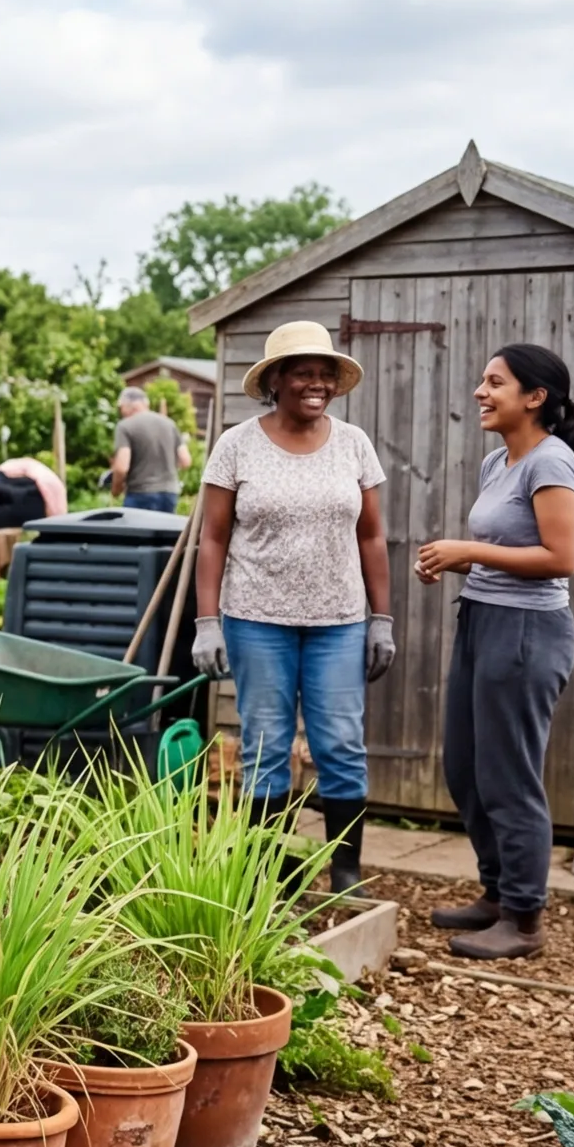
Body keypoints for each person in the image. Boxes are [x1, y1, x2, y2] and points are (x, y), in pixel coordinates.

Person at [190, 320, 396, 894]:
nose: (317, 384)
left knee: (340, 743)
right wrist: (208, 623)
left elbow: (372, 537)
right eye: (304, 373)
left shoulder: (354, 443)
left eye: (325, 374)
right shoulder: (236, 445)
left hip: (339, 621)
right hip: (256, 619)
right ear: (274, 380)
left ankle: (347, 871)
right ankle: (267, 875)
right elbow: (213, 539)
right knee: (265, 745)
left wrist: (382, 618)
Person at [412, 344, 574, 960]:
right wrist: (459, 562)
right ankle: (497, 892)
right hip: (483, 620)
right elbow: (504, 543)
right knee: (466, 767)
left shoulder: (552, 462)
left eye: (495, 382)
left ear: (535, 396)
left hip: (527, 633)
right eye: (482, 379)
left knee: (509, 775)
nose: (480, 391)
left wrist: (468, 552)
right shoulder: (501, 461)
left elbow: (561, 559)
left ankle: (524, 918)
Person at [109, 387, 189, 512]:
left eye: (121, 407)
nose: (121, 412)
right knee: (164, 530)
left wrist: (115, 490)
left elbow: (121, 468)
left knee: (136, 531)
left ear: (130, 405)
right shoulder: (169, 423)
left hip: (140, 494)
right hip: (169, 493)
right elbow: (185, 461)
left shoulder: (125, 426)